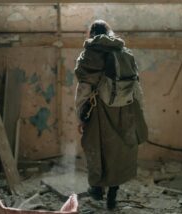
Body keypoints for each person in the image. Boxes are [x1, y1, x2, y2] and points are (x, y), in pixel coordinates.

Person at [74, 19, 148, 210]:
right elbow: (136, 87)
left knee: (95, 148)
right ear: (108, 32)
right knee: (120, 152)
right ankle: (112, 198)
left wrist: (81, 116)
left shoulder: (90, 55)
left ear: (91, 33)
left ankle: (97, 189)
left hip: (98, 109)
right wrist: (139, 109)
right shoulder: (125, 54)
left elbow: (83, 89)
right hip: (125, 110)